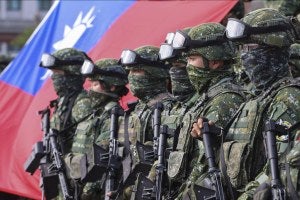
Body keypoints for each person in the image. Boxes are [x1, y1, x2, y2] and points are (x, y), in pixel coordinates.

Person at [192, 8, 300, 198]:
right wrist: (213, 138)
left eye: (249, 48)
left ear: (272, 49)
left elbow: (278, 168)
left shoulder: (288, 99)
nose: (243, 56)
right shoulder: (254, 99)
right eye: (241, 48)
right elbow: (248, 154)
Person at [169, 22, 246, 199]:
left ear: (215, 61)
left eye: (192, 59)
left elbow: (205, 164)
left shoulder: (225, 100)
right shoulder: (207, 98)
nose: (188, 66)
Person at [64, 58, 129, 200]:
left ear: (112, 86)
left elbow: (102, 160)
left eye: (95, 84)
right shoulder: (96, 114)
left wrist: (87, 192)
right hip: (78, 184)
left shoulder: (113, 117)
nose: (90, 89)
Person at [119, 45, 176, 199]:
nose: (131, 76)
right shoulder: (138, 109)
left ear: (155, 73)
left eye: (136, 71)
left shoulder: (169, 109)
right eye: (129, 71)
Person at [39, 48, 93, 199]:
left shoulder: (82, 104)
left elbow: (87, 150)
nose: (53, 78)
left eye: (58, 73)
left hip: (73, 180)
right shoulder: (64, 101)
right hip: (58, 177)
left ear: (72, 74)